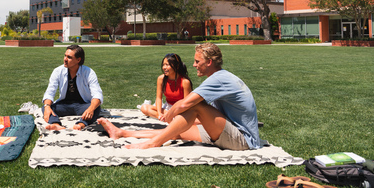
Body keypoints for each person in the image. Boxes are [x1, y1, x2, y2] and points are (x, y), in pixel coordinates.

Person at [98, 43, 261, 150]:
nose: (194, 65)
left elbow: (185, 104)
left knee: (195, 106)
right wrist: (176, 120)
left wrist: (170, 115)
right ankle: (122, 133)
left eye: (197, 61)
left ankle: (152, 143)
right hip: (229, 130)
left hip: (243, 140)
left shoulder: (219, 79)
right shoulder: (220, 77)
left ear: (209, 62)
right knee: (175, 131)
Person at [42, 44, 103, 131]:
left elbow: (97, 94)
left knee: (95, 108)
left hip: (82, 106)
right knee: (46, 107)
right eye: (65, 56)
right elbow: (50, 92)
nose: (65, 59)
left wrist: (91, 109)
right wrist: (47, 106)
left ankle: (81, 124)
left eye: (69, 57)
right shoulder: (58, 71)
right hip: (64, 105)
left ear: (78, 60)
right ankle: (56, 124)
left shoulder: (89, 72)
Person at [140, 53, 193, 121]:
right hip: (167, 108)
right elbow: (159, 98)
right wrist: (159, 113)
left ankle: (170, 118)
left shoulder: (185, 82)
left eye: (167, 65)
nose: (164, 67)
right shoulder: (161, 79)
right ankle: (169, 118)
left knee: (183, 116)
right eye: (163, 65)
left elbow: (187, 104)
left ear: (176, 66)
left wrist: (175, 112)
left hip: (180, 109)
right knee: (144, 108)